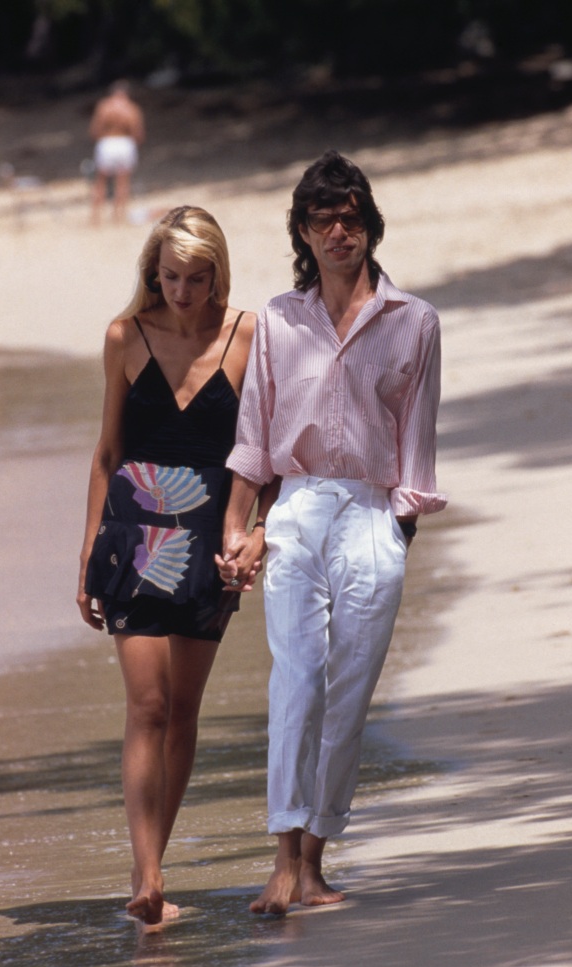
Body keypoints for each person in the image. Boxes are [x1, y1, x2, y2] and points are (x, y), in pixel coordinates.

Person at [218, 150, 447, 914]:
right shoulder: (279, 318)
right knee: (297, 681)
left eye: (352, 216)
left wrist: (399, 530)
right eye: (324, 218)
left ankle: (314, 863)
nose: (340, 230)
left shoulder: (415, 323)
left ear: (371, 226)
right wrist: (236, 531)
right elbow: (253, 438)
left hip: (375, 514)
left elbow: (418, 440)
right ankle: (282, 860)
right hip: (298, 510)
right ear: (304, 232)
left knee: (349, 692)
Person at [77, 206, 270, 926]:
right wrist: (87, 554)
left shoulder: (251, 335)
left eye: (195, 278)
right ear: (151, 272)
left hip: (208, 539)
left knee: (183, 710)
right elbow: (105, 453)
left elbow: (268, 457)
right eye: (169, 277)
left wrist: (258, 531)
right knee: (147, 704)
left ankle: (152, 858)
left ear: (216, 273)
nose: (182, 292)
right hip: (131, 537)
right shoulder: (125, 336)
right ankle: (148, 874)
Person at [88, 81, 145, 224]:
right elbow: (138, 132)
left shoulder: (105, 106)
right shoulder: (131, 108)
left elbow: (95, 129)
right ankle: (118, 216)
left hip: (107, 142)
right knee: (123, 181)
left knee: (100, 181)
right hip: (125, 143)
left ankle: (96, 217)